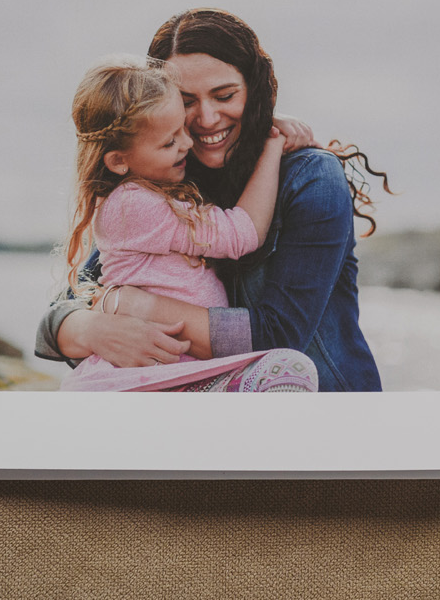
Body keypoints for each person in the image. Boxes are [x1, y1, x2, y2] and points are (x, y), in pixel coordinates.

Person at [36, 9, 385, 392]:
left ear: (254, 89)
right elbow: (61, 318)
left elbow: (277, 338)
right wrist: (94, 327)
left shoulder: (312, 179)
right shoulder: (161, 187)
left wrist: (134, 307)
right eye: (186, 100)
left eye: (225, 95)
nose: (206, 118)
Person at [54, 56, 316, 393]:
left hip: (183, 370)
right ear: (118, 161)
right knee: (291, 369)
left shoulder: (144, 191)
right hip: (157, 374)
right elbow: (241, 234)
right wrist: (271, 144)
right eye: (169, 142)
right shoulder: (133, 204)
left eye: (182, 129)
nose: (188, 143)